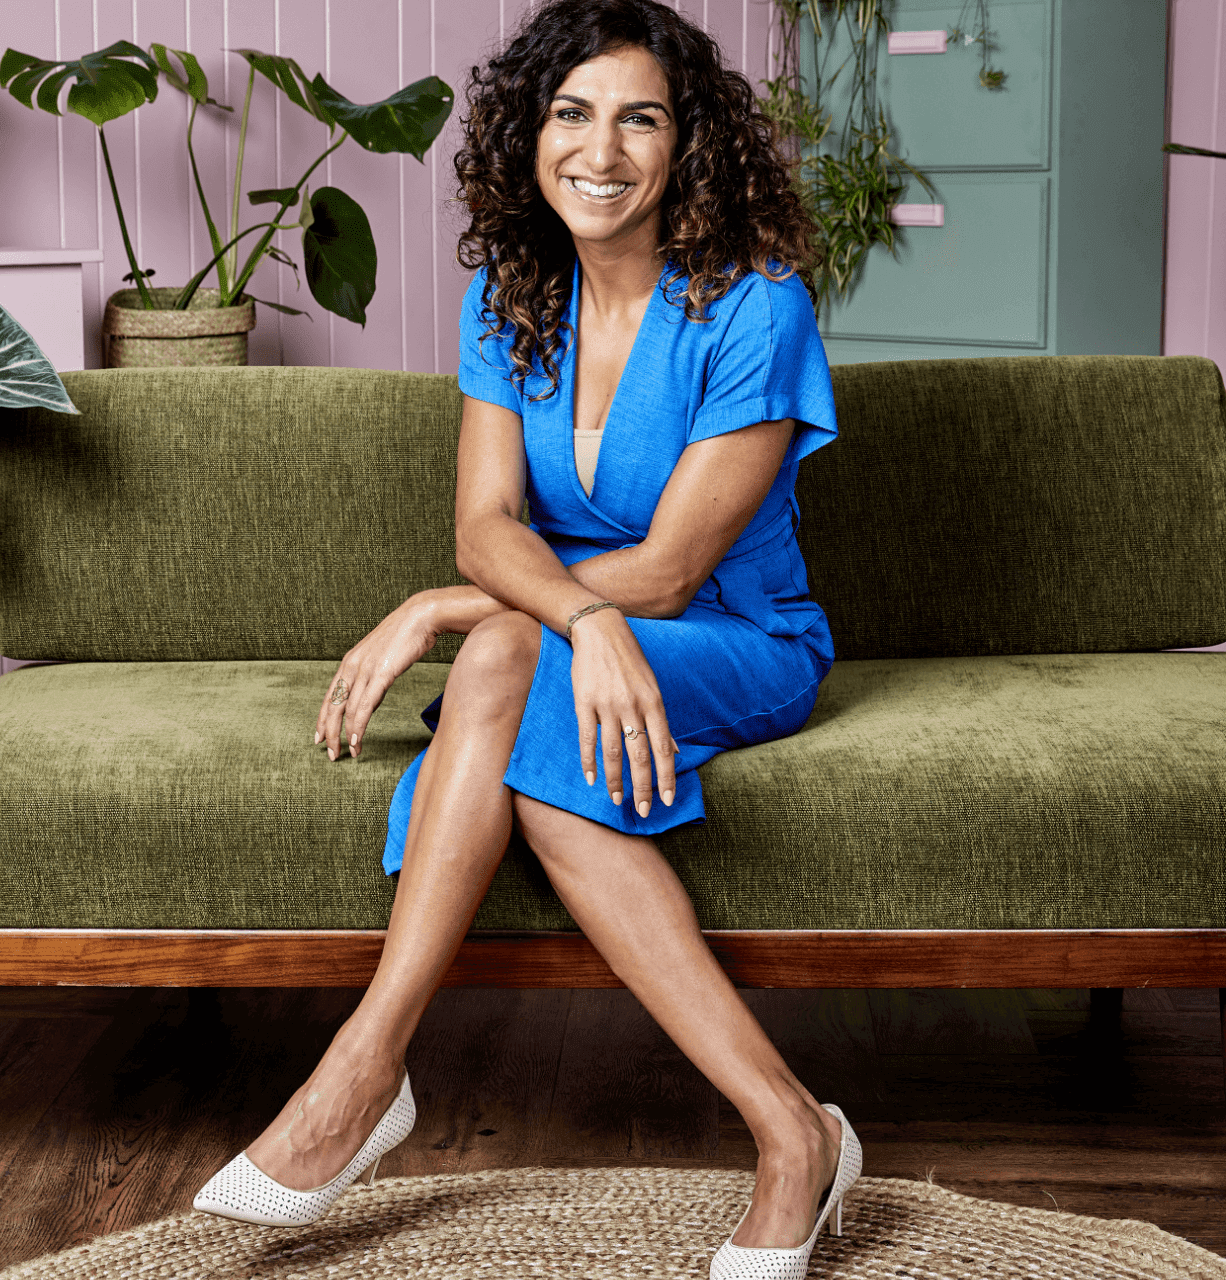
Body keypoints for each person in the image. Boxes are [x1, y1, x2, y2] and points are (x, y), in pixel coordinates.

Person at [194, 1, 860, 1274]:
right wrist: (556, 614)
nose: (599, 151)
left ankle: (365, 1073)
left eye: (639, 118)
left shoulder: (754, 307)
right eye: (570, 113)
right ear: (529, 133)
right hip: (566, 636)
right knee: (514, 662)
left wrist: (459, 608)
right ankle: (788, 1128)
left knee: (500, 652)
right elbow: (484, 523)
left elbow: (670, 567)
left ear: (689, 145)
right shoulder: (509, 299)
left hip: (736, 636)